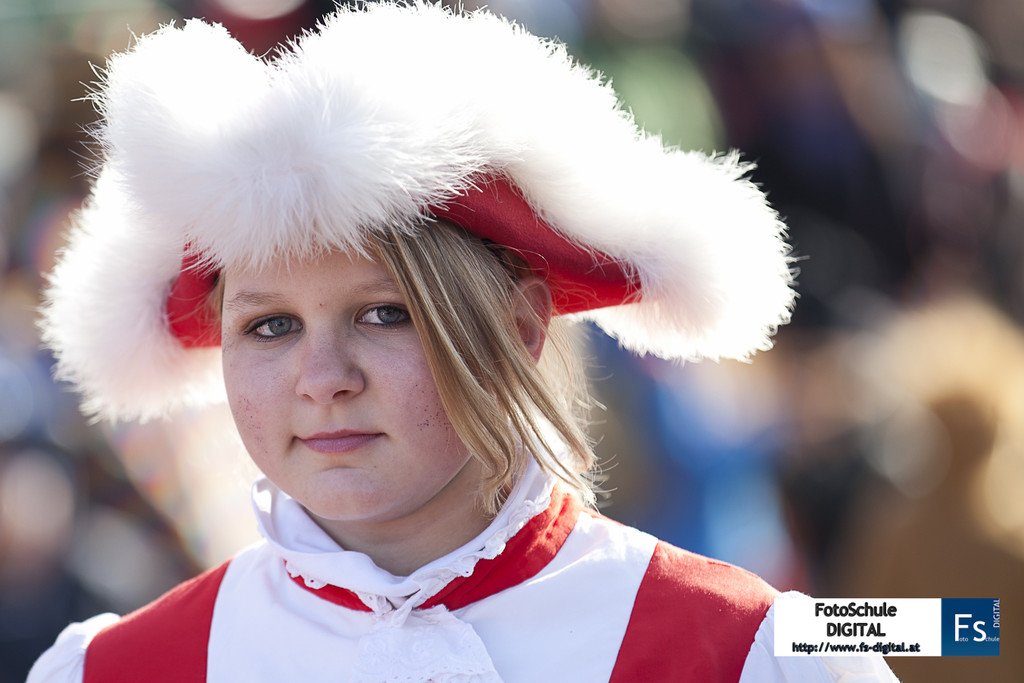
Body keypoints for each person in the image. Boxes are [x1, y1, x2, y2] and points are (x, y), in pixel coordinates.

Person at [28, 2, 897, 681]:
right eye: (270, 325)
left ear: (519, 330)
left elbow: (966, 623)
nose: (322, 378)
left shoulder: (757, 649)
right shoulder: (112, 670)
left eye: (384, 313)